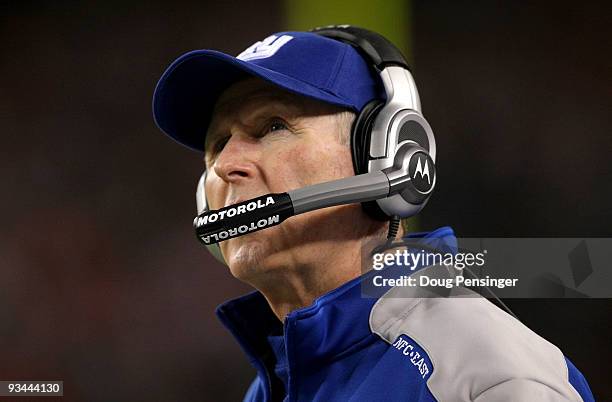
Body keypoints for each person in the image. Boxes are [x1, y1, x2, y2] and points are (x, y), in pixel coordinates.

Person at [152, 27, 594, 402]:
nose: (227, 165)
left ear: (385, 155)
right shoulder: (277, 382)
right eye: (218, 143)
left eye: (272, 126)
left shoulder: (485, 372)